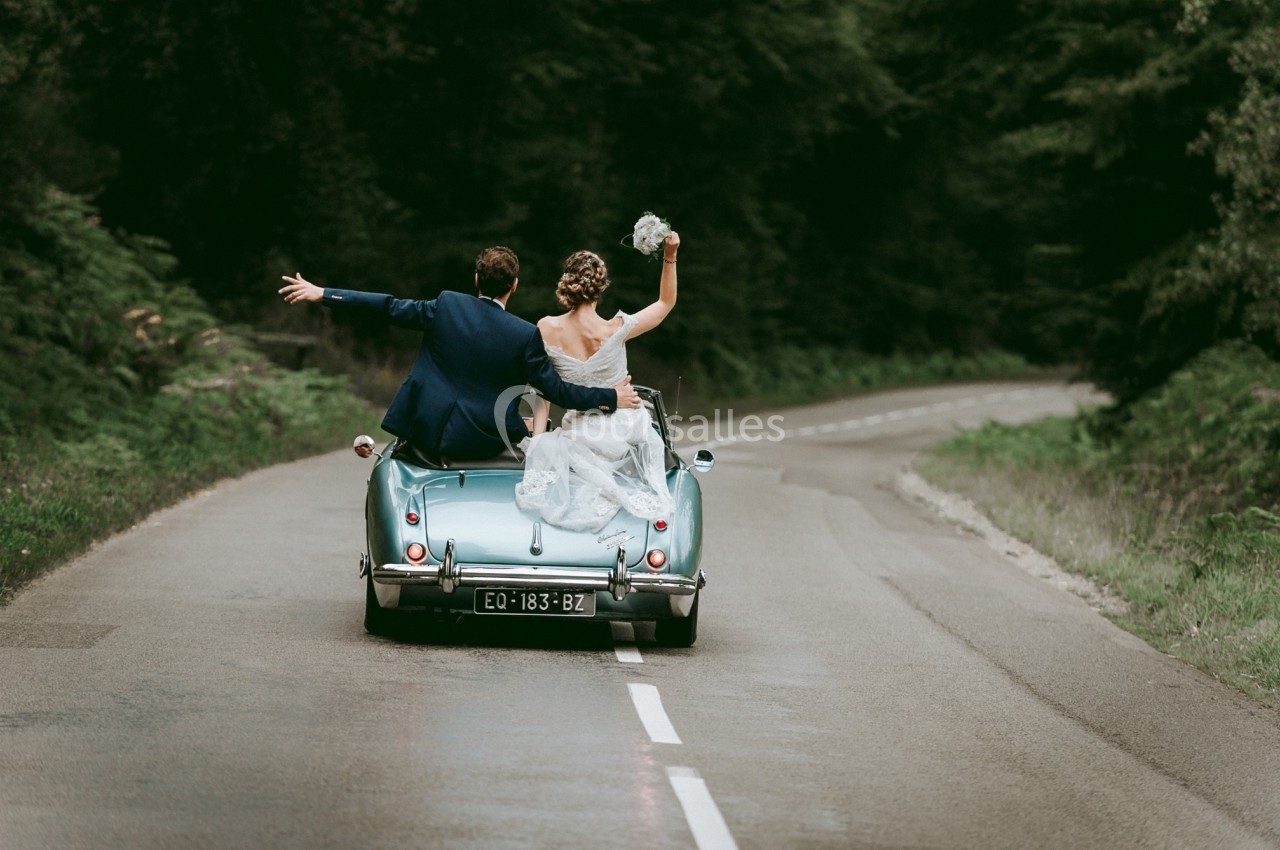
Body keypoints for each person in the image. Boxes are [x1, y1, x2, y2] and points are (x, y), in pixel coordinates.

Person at [278, 247, 642, 462]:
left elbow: (387, 306)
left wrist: (324, 292)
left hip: (423, 429)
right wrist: (612, 396)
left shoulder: (446, 306)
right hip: (482, 441)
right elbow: (558, 391)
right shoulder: (524, 335)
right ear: (514, 286)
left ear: (476, 280)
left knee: (387, 466)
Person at [515, 232, 680, 531]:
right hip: (625, 431)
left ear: (567, 284)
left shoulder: (546, 328)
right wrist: (670, 253)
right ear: (601, 287)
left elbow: (545, 391)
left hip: (580, 433)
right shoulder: (616, 329)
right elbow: (666, 302)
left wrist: (538, 441)